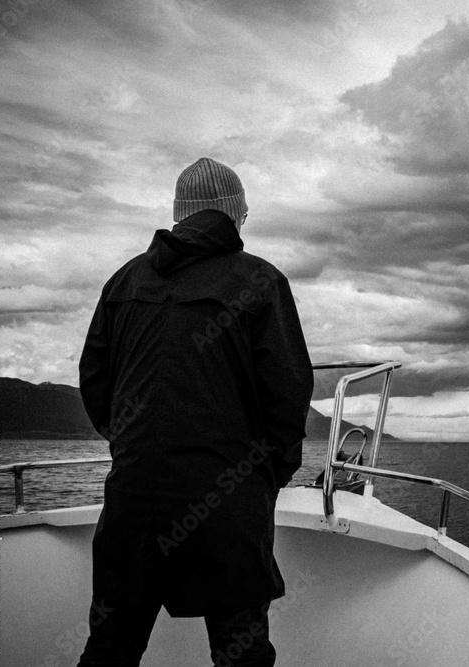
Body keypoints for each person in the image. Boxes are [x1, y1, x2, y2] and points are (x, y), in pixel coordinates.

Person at [77, 157, 314, 666]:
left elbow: (95, 383)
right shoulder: (260, 282)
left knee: (112, 644)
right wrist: (265, 478)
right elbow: (288, 396)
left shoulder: (123, 283)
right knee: (240, 650)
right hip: (226, 505)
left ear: (180, 213)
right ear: (232, 214)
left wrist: (132, 445)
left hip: (133, 499)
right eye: (244, 217)